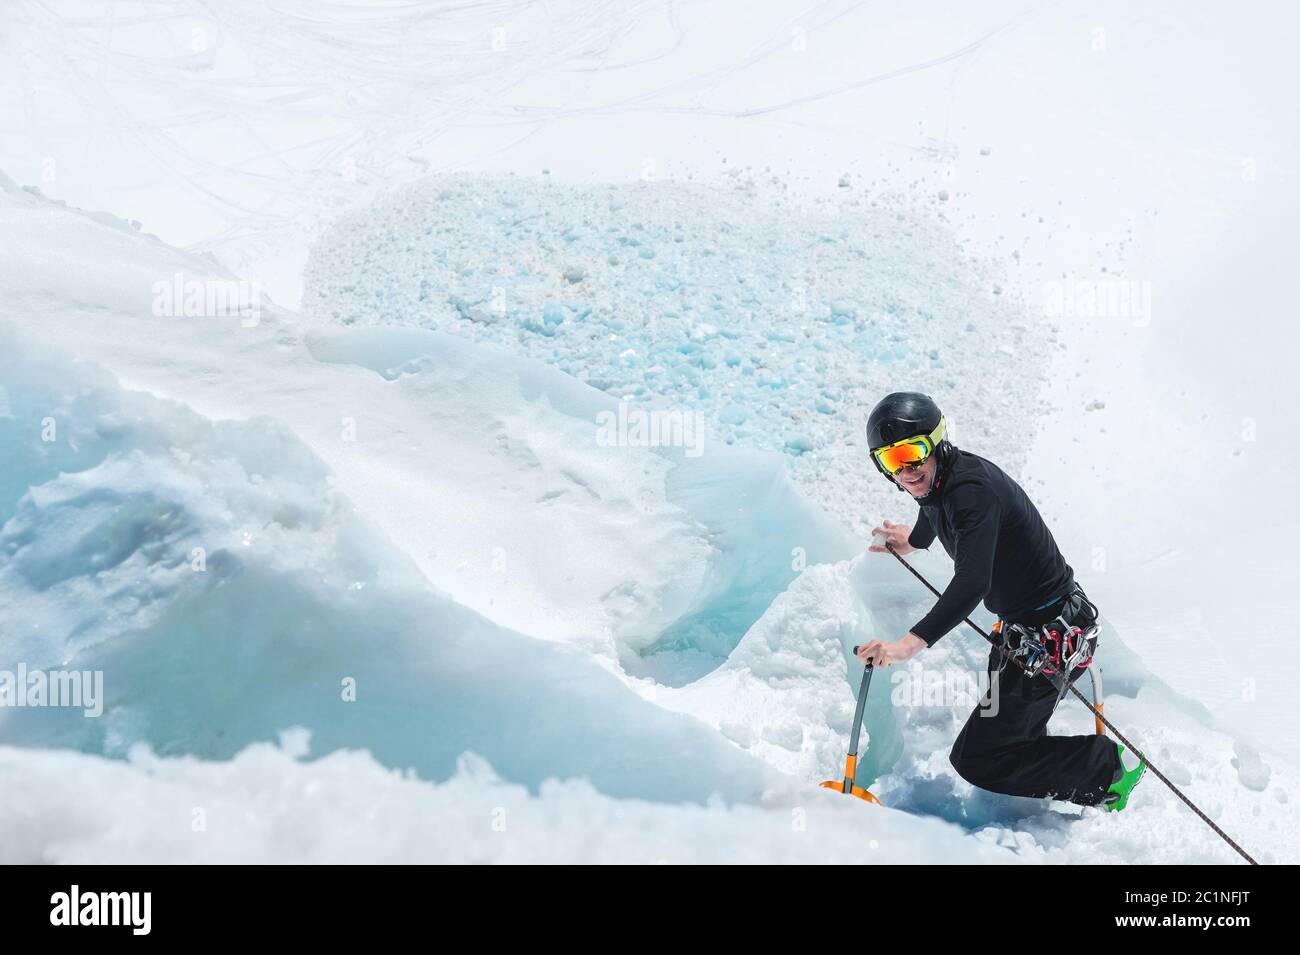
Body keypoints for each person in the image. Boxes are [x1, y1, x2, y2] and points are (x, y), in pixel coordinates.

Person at [856, 392, 1145, 810]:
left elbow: (973, 582)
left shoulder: (972, 491)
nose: (906, 469)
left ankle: (1108, 771)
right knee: (1004, 735)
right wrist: (915, 541)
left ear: (937, 442)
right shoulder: (941, 480)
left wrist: (908, 644)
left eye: (912, 452)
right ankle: (1049, 770)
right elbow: (932, 506)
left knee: (978, 759)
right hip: (1026, 633)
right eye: (891, 460)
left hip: (1054, 639)